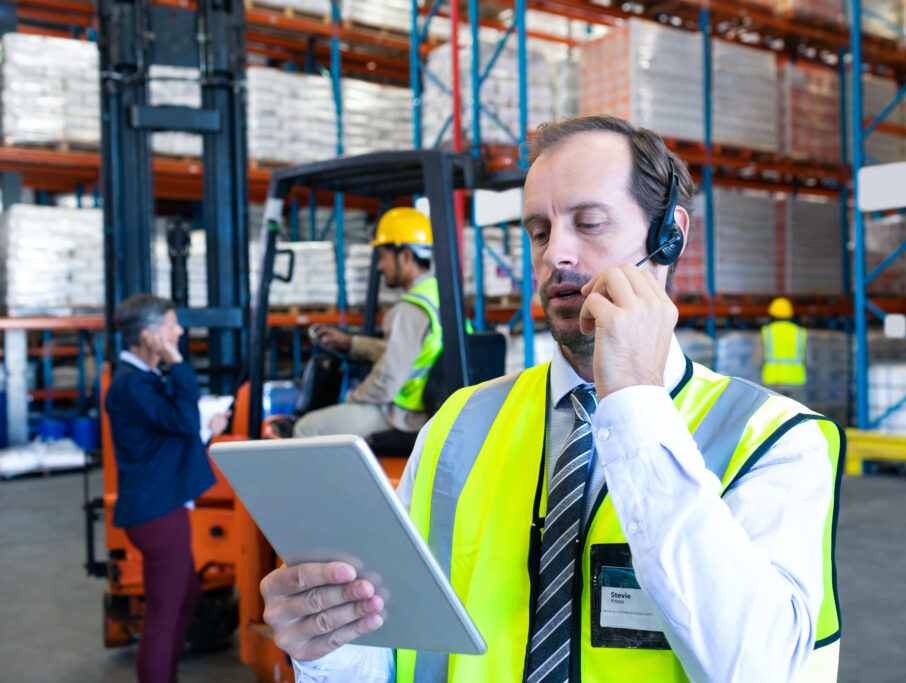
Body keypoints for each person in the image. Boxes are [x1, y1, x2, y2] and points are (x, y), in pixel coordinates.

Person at [259, 115, 845, 682]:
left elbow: (759, 669)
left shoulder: (777, 440)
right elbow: (396, 654)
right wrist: (327, 647)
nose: (554, 254)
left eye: (589, 223)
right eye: (539, 231)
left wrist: (636, 401)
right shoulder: (458, 426)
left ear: (669, 237)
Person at [105, 293, 227, 683]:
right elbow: (181, 422)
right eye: (172, 326)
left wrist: (207, 430)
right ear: (149, 335)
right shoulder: (132, 386)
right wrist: (178, 362)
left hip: (160, 508)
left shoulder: (140, 381)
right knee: (162, 618)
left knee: (187, 597)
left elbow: (168, 435)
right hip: (159, 515)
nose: (180, 332)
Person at [293, 207, 442, 439]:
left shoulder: (408, 310)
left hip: (404, 414)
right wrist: (350, 343)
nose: (380, 266)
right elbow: (408, 351)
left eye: (383, 256)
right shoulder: (437, 296)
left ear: (405, 255)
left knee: (306, 428)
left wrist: (351, 397)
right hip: (428, 409)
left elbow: (386, 384)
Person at [762, 296, 808, 392]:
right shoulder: (800, 332)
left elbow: (757, 360)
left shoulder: (767, 331)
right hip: (795, 381)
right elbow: (809, 359)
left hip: (772, 381)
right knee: (795, 407)